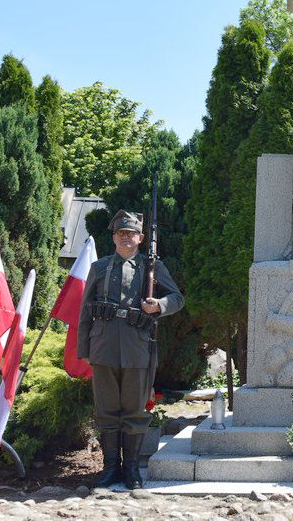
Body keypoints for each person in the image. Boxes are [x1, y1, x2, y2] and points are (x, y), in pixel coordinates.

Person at [77, 209, 184, 490]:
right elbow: (85, 310)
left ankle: (132, 469)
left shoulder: (152, 266)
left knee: (135, 411)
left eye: (132, 233)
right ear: (114, 237)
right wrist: (84, 347)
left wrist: (158, 306)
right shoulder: (100, 267)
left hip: (138, 348)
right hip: (103, 346)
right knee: (107, 410)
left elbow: (177, 298)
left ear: (140, 238)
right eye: (121, 233)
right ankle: (110, 468)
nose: (126, 237)